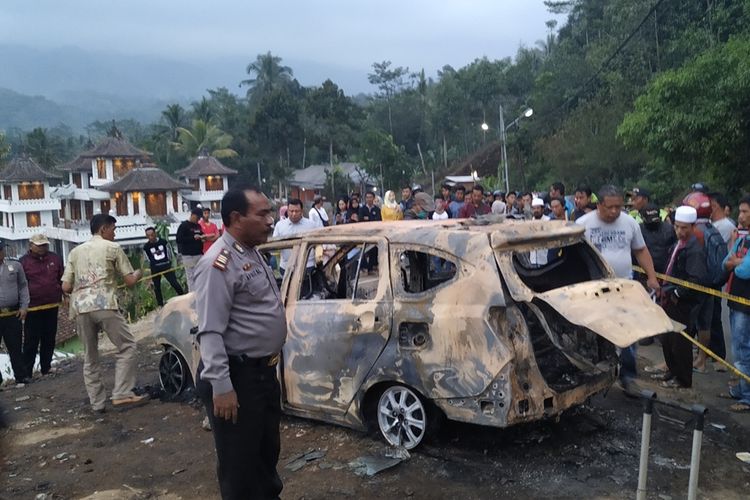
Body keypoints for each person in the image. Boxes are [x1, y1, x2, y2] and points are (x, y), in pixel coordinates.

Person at [193, 187, 287, 499]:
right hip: (237, 376)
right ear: (236, 218)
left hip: (262, 374)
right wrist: (222, 387)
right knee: (240, 465)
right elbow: (209, 331)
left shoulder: (250, 253)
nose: (271, 220)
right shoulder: (217, 264)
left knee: (265, 454)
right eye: (262, 214)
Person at [61, 214, 147, 412]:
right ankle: (122, 393)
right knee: (127, 346)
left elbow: (66, 286)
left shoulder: (75, 252)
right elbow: (130, 281)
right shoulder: (112, 248)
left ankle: (97, 403)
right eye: (113, 229)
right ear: (103, 229)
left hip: (81, 307)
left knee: (90, 356)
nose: (114, 234)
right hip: (104, 303)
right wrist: (139, 273)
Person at [576, 185, 660, 389]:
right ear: (598, 205)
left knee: (628, 332)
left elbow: (640, 250)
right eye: (610, 207)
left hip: (624, 287)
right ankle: (593, 373)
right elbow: (573, 256)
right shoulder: (582, 224)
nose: (615, 211)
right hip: (592, 288)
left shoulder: (629, 223)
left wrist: (652, 277)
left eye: (619, 207)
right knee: (594, 330)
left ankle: (628, 376)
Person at [658, 206, 707, 389]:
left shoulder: (694, 249)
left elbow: (695, 279)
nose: (680, 231)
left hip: (682, 302)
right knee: (668, 339)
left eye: (684, 227)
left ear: (693, 227)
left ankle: (683, 379)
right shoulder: (678, 243)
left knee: (680, 342)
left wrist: (677, 294)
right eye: (677, 227)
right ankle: (672, 371)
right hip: (669, 296)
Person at [20, 234, 64, 378]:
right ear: (31, 245)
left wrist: (65, 295)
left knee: (49, 338)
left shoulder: (54, 258)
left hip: (51, 305)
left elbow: (61, 278)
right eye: (39, 245)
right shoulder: (23, 263)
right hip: (32, 308)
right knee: (31, 341)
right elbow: (20, 285)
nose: (42, 248)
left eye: (44, 245)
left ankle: (46, 367)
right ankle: (27, 372)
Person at [723, 196, 750, 411]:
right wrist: (737, 261)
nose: (740, 216)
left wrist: (737, 263)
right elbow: (727, 262)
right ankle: (741, 389)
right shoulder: (744, 239)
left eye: (744, 212)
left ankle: (747, 397)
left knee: (743, 350)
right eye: (740, 211)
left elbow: (744, 270)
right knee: (738, 348)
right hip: (736, 299)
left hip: (746, 303)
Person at [0, 239, 30, 385]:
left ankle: (21, 376)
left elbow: (23, 287)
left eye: (1, 250)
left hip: (12, 314)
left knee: (15, 347)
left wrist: (24, 307)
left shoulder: (15, 265)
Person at [272, 198, 318, 273]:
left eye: (296, 211)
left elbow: (317, 244)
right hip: (286, 266)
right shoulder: (280, 225)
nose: (294, 214)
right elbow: (274, 244)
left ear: (301, 211)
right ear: (287, 211)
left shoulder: (311, 225)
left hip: (307, 266)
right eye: (291, 211)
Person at [143, 227, 185, 307]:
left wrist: (168, 262)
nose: (151, 237)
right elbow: (147, 259)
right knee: (157, 287)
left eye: (152, 235)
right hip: (155, 268)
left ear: (155, 234)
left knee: (174, 283)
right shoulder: (146, 247)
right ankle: (160, 305)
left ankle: (182, 297)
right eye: (148, 236)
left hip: (166, 266)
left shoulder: (163, 242)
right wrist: (153, 265)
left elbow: (169, 253)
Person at [176, 208, 205, 291]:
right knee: (191, 277)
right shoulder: (184, 226)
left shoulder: (198, 226)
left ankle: (201, 293)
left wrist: (203, 238)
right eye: (197, 218)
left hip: (199, 254)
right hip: (189, 255)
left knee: (200, 275)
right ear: (192, 215)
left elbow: (201, 235)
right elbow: (179, 239)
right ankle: (192, 296)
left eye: (199, 219)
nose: (198, 220)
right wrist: (192, 238)